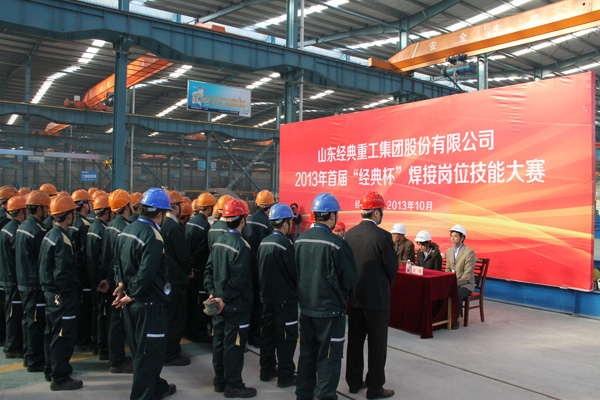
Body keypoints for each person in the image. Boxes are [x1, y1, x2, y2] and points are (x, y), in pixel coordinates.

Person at [113, 188, 176, 400]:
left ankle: (156, 386)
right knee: (149, 353)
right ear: (160, 214)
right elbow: (146, 272)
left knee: (142, 350)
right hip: (148, 303)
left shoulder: (127, 230)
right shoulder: (154, 236)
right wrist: (132, 294)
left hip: (133, 304)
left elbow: (118, 262)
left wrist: (121, 285)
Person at [294, 193, 357, 400]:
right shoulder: (337, 244)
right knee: (329, 357)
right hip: (330, 313)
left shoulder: (300, 240)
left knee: (307, 354)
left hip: (306, 309)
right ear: (331, 215)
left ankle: (303, 394)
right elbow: (349, 280)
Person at [344, 191, 397, 400]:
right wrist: (383, 287)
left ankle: (353, 382)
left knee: (355, 343)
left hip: (355, 298)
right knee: (377, 345)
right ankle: (375, 388)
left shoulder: (350, 234)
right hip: (377, 301)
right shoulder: (383, 236)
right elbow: (392, 269)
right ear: (376, 212)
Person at [204, 198, 257, 398]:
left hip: (218, 304)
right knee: (234, 346)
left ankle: (220, 382)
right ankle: (233, 385)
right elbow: (239, 280)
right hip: (235, 306)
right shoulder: (242, 246)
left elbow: (208, 270)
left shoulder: (218, 241)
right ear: (243, 219)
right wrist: (224, 298)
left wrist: (213, 294)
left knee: (219, 343)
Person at [39, 195, 83, 391]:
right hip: (61, 296)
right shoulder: (62, 239)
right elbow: (62, 273)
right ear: (68, 215)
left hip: (51, 294)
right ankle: (60, 377)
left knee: (52, 333)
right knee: (63, 335)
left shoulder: (50, 234)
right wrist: (70, 292)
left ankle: (51, 369)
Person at [257, 203, 297, 387]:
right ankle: (286, 376)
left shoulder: (264, 242)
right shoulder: (285, 245)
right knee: (286, 339)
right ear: (285, 223)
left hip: (267, 299)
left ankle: (266, 370)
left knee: (268, 336)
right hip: (284, 301)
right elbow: (294, 273)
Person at [16, 190, 51, 377]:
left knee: (29, 321)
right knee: (36, 323)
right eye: (46, 207)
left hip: (24, 282)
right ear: (38, 208)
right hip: (34, 284)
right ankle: (35, 361)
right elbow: (41, 261)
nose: (48, 211)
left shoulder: (23, 226)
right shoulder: (37, 231)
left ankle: (28, 356)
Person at [101, 189, 133, 374]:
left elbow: (106, 256)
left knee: (114, 320)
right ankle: (117, 360)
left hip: (112, 279)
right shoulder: (125, 228)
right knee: (118, 321)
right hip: (120, 281)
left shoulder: (111, 226)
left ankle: (115, 356)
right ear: (127, 207)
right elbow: (123, 259)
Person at [162, 190, 192, 366]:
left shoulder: (163, 225)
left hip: (167, 278)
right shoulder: (174, 227)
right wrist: (188, 270)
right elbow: (183, 255)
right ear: (174, 206)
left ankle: (168, 350)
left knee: (169, 317)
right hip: (176, 279)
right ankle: (171, 354)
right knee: (176, 318)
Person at [243, 189, 275, 347]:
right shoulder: (268, 223)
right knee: (259, 305)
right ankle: (255, 336)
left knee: (250, 302)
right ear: (270, 206)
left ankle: (248, 333)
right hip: (261, 268)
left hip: (247, 266)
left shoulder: (248, 220)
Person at [185, 192, 215, 343]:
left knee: (190, 302)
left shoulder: (191, 222)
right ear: (209, 208)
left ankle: (189, 330)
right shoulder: (205, 226)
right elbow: (202, 250)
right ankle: (198, 333)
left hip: (189, 270)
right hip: (198, 271)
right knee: (198, 303)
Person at [86, 195, 112, 361]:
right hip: (100, 281)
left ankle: (97, 345)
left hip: (93, 279)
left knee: (98, 313)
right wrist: (103, 280)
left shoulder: (93, 227)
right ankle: (102, 348)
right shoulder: (102, 230)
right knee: (102, 315)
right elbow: (102, 258)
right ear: (107, 212)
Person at [0, 195, 27, 359]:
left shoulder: (7, 228)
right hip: (12, 278)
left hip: (7, 276)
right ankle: (12, 347)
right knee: (14, 313)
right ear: (21, 211)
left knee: (11, 311)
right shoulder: (15, 231)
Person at [69, 189, 94, 351]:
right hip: (83, 274)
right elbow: (86, 254)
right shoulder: (85, 225)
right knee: (85, 308)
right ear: (85, 205)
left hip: (74, 273)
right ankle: (83, 339)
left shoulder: (72, 222)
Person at [444, 224, 476, 329]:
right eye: (451, 236)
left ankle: (454, 320)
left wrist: (453, 284)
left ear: (462, 238)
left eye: (456, 236)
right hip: (453, 283)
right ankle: (443, 318)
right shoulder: (449, 251)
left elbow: (467, 276)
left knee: (457, 294)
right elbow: (448, 269)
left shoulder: (469, 252)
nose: (453, 238)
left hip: (466, 284)